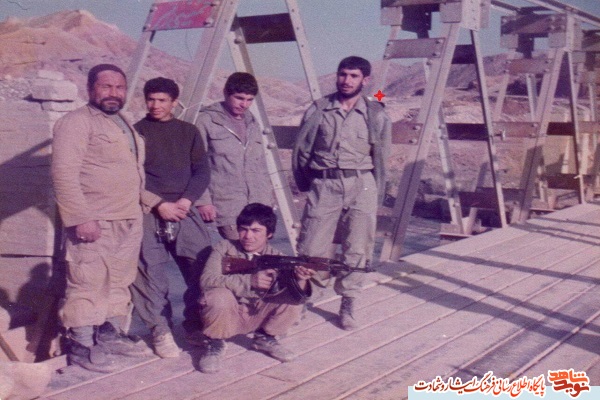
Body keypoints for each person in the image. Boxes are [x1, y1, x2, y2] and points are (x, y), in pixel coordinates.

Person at [51, 64, 152, 373]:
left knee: (120, 280)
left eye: (119, 88)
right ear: (90, 88)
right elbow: (63, 174)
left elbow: (131, 172)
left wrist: (151, 204)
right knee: (87, 281)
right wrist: (80, 218)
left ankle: (109, 335)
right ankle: (81, 344)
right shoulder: (76, 122)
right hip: (96, 219)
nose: (113, 93)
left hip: (128, 217)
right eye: (106, 87)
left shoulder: (123, 121)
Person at [292, 56, 391, 331]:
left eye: (354, 76)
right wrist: (311, 183)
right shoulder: (319, 109)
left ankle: (348, 302)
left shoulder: (375, 113)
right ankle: (306, 296)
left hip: (362, 183)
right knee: (312, 244)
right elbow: (302, 150)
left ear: (365, 80)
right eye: (343, 74)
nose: (347, 81)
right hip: (325, 183)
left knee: (357, 246)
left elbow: (382, 157)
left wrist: (375, 192)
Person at [130, 77, 212, 358]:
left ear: (174, 103)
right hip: (149, 209)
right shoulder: (136, 133)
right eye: (151, 99)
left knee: (201, 266)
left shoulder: (188, 132)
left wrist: (187, 200)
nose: (155, 105)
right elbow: (129, 177)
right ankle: (160, 330)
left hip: (184, 208)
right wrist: (159, 204)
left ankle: (194, 323)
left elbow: (202, 171)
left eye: (162, 100)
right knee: (149, 272)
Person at [197, 203, 315, 373]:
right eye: (243, 229)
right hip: (227, 315)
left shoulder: (278, 257)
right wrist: (249, 281)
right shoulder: (224, 248)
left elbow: (295, 297)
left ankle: (265, 337)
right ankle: (215, 343)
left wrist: (300, 279)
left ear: (270, 234)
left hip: (257, 315)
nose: (248, 236)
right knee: (217, 296)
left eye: (256, 231)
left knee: (292, 297)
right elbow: (206, 280)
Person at [195, 72, 273, 240]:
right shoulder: (207, 121)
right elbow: (194, 164)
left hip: (258, 207)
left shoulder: (252, 122)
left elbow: (261, 165)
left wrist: (268, 201)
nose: (244, 104)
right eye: (239, 98)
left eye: (249, 100)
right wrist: (203, 201)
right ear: (225, 93)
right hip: (227, 206)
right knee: (240, 251)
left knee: (256, 253)